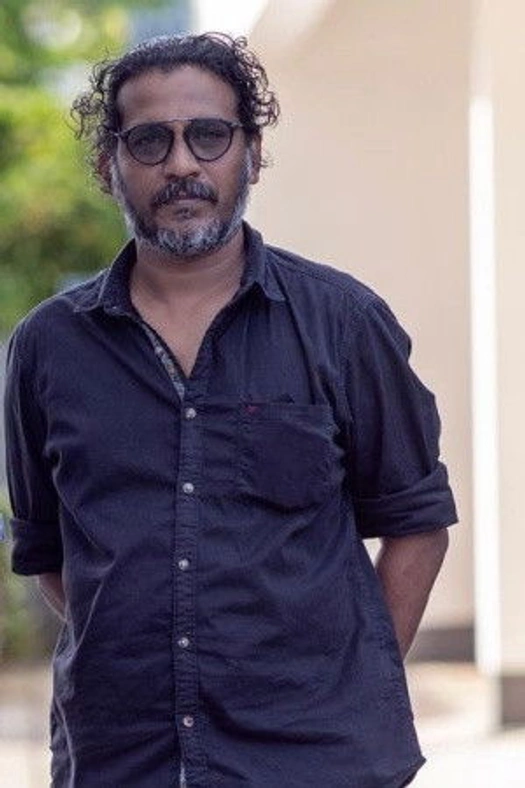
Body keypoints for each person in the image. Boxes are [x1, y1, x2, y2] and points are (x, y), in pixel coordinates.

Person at [4, 32, 457, 788]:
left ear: (251, 153)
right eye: (150, 141)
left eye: (209, 135)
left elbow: (416, 523)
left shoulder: (343, 323)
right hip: (121, 760)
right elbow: (49, 552)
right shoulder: (48, 348)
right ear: (109, 165)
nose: (181, 164)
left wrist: (348, 686)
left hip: (312, 762)